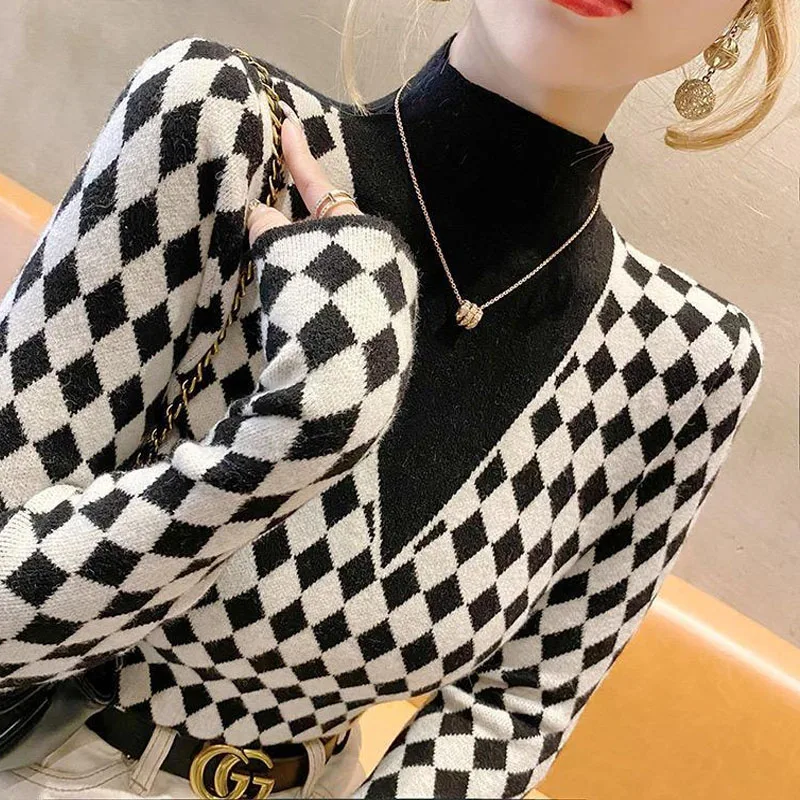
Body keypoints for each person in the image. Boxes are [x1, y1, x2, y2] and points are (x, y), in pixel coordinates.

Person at [0, 0, 789, 796]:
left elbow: (512, 714)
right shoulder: (223, 125)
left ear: (739, 20)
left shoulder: (684, 361)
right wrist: (303, 426)